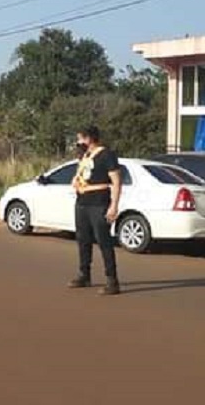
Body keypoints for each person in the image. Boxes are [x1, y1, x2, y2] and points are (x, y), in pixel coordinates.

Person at [69, 125, 123, 296]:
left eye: (80, 139)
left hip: (99, 203)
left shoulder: (107, 155)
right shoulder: (84, 156)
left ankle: (112, 280)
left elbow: (116, 181)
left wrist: (114, 205)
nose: (78, 142)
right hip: (82, 202)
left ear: (89, 138)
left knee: (103, 241)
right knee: (82, 240)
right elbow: (82, 175)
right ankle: (84, 275)